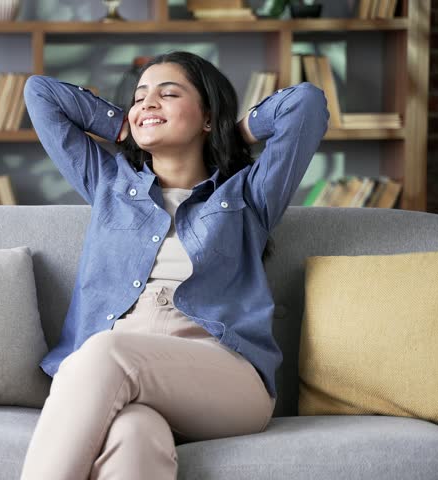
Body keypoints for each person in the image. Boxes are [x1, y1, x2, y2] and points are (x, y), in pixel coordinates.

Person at [19, 50, 329, 480]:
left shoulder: (248, 196)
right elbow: (41, 93)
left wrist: (235, 131)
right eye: (140, 96)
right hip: (122, 379)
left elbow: (306, 104)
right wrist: (125, 125)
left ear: (206, 118)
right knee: (135, 436)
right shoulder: (109, 184)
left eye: (168, 94)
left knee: (105, 354)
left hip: (223, 377)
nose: (148, 102)